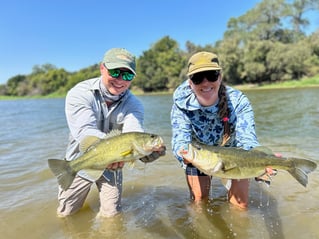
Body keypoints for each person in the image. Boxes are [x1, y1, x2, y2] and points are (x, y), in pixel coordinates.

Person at [57, 48, 166, 218]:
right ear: (102, 68)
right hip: (81, 158)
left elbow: (134, 131)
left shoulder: (134, 104)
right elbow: (86, 133)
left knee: (112, 214)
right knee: (67, 213)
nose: (121, 80)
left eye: (128, 75)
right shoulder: (79, 94)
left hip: (115, 162)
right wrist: (118, 150)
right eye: (115, 72)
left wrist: (144, 153)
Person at [171, 51, 273, 209]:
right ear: (190, 82)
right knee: (199, 203)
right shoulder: (181, 104)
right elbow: (180, 139)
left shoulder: (239, 101)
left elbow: (247, 139)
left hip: (234, 155)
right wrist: (183, 153)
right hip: (198, 154)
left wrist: (261, 161)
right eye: (198, 78)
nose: (205, 83)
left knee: (241, 206)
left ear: (220, 77)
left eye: (211, 75)